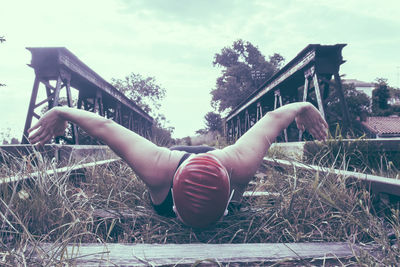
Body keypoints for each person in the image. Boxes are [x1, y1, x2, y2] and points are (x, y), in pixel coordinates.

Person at [28, 101, 328, 228]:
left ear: (229, 202)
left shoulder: (240, 163)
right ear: (172, 203)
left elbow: (274, 118)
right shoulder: (156, 167)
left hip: (213, 157)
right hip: (175, 156)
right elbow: (105, 127)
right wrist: (59, 111)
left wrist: (305, 107)